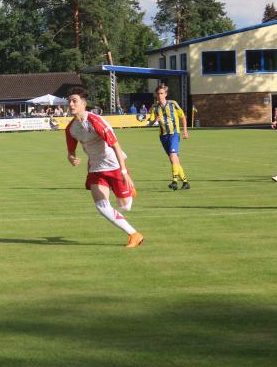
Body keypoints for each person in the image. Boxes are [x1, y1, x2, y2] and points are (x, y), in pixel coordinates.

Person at [64, 87, 143, 248]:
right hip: (95, 167)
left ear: (83, 104)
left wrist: (124, 171)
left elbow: (115, 145)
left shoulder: (96, 121)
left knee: (125, 206)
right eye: (69, 101)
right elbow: (70, 152)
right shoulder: (71, 129)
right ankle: (134, 235)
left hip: (114, 164)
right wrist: (72, 158)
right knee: (101, 206)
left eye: (74, 101)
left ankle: (129, 190)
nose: (71, 104)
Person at [147, 84, 190, 190]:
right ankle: (185, 182)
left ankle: (174, 181)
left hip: (174, 133)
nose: (160, 95)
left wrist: (185, 131)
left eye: (162, 93)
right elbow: (150, 123)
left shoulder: (173, 104)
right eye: (158, 94)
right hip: (163, 136)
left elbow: (183, 117)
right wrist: (154, 120)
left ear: (165, 94)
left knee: (172, 156)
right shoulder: (154, 107)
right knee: (174, 159)